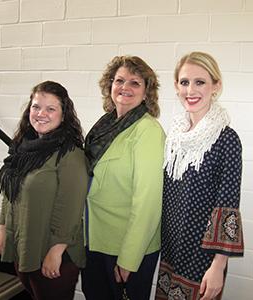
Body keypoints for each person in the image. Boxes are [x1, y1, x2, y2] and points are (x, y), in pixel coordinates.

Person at [156, 52, 244, 300]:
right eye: (184, 82)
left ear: (216, 86)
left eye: (200, 82)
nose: (190, 90)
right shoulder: (174, 137)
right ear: (176, 86)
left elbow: (228, 206)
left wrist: (218, 266)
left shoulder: (227, 139)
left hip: (202, 259)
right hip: (171, 250)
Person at [81, 55, 165, 300]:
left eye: (135, 83)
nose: (125, 87)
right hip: (94, 240)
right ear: (110, 85)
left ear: (147, 92)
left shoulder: (147, 130)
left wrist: (130, 257)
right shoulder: (104, 126)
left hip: (126, 248)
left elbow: (148, 201)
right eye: (119, 80)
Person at [0, 81, 88, 300]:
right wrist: (2, 228)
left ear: (63, 115)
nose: (41, 114)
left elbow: (71, 208)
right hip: (25, 244)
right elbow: (10, 192)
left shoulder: (70, 154)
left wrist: (56, 251)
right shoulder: (23, 148)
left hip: (53, 253)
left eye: (50, 108)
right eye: (36, 107)